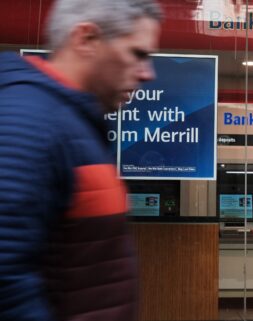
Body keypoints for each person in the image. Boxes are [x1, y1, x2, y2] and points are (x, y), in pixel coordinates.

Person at [0, 1, 163, 320]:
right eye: (137, 54)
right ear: (86, 39)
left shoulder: (74, 123)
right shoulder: (27, 123)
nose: (147, 73)